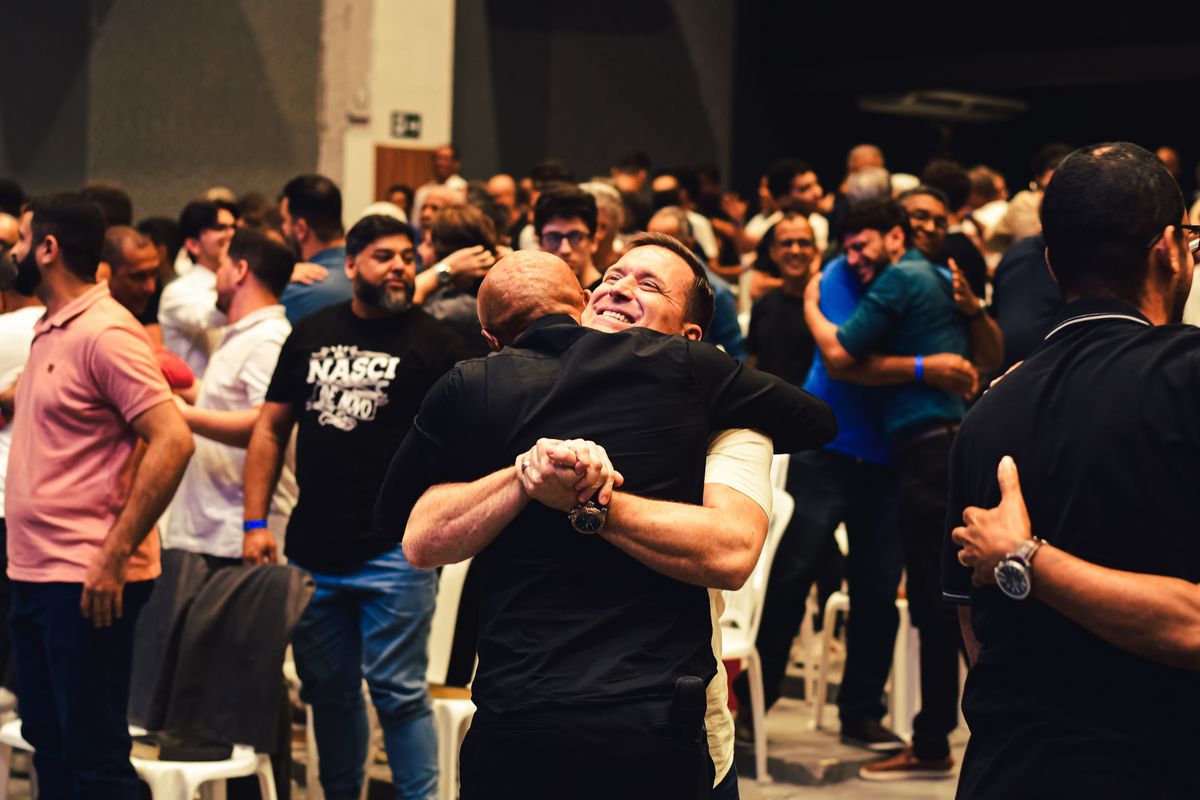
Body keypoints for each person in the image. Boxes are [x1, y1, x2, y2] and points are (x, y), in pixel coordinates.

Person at [378, 238, 838, 799]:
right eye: (611, 277)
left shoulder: (721, 408)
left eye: (649, 285)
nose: (617, 289)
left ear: (689, 336)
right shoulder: (496, 389)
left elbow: (733, 550)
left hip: (658, 709)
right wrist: (525, 473)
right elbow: (417, 536)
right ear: (579, 300)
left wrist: (591, 501)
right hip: (518, 702)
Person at [942, 142, 1200, 798]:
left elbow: (977, 634)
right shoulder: (1187, 375)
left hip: (1009, 771)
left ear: (1053, 261)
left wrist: (1025, 563)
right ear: (1170, 250)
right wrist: (1029, 559)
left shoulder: (986, 414)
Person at [734, 198, 978, 754]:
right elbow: (843, 359)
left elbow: (969, 352)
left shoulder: (922, 280)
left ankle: (862, 713)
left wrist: (967, 319)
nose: (859, 255)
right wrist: (926, 368)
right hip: (828, 447)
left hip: (889, 457)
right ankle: (752, 710)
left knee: (876, 588)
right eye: (852, 244)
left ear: (896, 239)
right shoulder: (841, 277)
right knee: (792, 576)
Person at [242, 213, 471, 800]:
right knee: (328, 692)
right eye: (383, 256)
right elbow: (269, 430)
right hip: (312, 550)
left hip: (394, 552)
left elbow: (465, 445)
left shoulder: (438, 343)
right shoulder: (311, 331)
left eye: (407, 257)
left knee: (397, 691)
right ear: (350, 265)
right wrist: (254, 521)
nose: (399, 267)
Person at [804, 195, 1001, 779]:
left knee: (935, 602)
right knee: (951, 596)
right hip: (953, 443)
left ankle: (940, 742)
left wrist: (812, 307)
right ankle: (958, 735)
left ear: (894, 237)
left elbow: (840, 353)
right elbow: (991, 352)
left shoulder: (900, 279)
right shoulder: (942, 277)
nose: (855, 259)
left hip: (923, 449)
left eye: (863, 244)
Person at [5, 193, 194, 797]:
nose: (12, 253)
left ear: (48, 248)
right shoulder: (50, 326)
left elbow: (173, 440)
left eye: (20, 240)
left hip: (86, 576)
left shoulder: (106, 332)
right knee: (49, 741)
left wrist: (114, 554)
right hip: (35, 570)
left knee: (93, 754)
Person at [646, 206, 746, 359]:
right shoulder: (640, 282)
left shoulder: (717, 292)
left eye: (664, 245)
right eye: (649, 242)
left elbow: (737, 356)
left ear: (688, 244)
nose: (654, 252)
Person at [158, 200, 236, 377]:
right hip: (197, 391)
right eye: (221, 228)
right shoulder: (177, 292)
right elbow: (210, 318)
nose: (231, 233)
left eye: (233, 227)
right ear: (193, 244)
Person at [744, 212, 818, 385]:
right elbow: (753, 363)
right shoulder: (762, 305)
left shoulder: (827, 303)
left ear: (815, 251)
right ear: (773, 252)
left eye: (803, 243)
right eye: (786, 243)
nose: (795, 250)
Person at [748, 159, 828, 298]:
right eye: (805, 189)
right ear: (784, 199)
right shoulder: (774, 232)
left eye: (816, 184)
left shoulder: (823, 223)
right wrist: (794, 284)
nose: (818, 192)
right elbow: (756, 288)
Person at [277, 174, 349, 325]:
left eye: (285, 221)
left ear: (301, 229)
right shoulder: (367, 276)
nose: (283, 229)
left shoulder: (295, 291)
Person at [535, 183, 603, 290]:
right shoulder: (535, 293)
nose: (565, 249)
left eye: (576, 237)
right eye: (553, 238)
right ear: (539, 243)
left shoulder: (610, 296)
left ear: (594, 241)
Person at [411, 145, 467, 234]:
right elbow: (416, 223)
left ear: (456, 163)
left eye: (445, 159)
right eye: (437, 159)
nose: (440, 163)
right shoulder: (422, 191)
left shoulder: (464, 189)